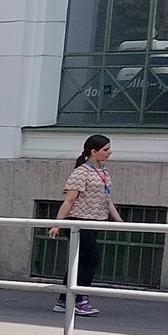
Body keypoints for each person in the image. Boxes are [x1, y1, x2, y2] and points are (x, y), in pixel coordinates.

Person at [49, 133, 116, 316]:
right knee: (91, 259)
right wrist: (57, 224)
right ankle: (80, 299)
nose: (109, 153)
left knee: (79, 261)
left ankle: (64, 299)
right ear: (93, 151)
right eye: (105, 149)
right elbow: (69, 200)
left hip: (96, 220)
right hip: (78, 222)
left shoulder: (102, 171)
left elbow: (107, 199)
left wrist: (119, 222)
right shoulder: (80, 172)